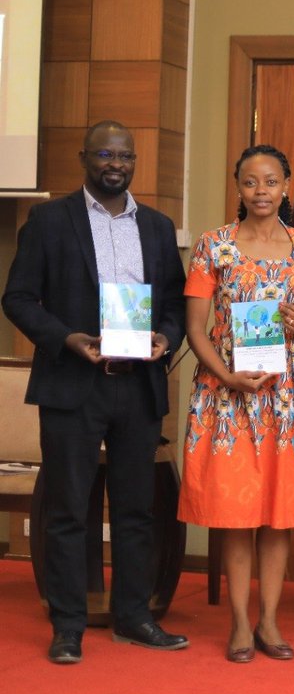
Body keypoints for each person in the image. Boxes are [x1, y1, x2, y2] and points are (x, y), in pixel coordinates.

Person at [2, 120, 188, 663]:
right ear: (85, 158)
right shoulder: (48, 221)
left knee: (135, 511)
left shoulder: (157, 226)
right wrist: (66, 340)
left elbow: (175, 305)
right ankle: (67, 626)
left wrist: (166, 337)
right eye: (105, 154)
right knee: (67, 511)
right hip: (73, 384)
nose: (116, 164)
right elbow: (18, 299)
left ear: (135, 162)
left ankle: (134, 617)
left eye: (125, 156)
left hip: (138, 387)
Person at [176, 144, 294, 663]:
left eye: (271, 181)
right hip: (227, 396)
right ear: (239, 188)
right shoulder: (213, 247)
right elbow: (194, 329)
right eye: (251, 182)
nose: (261, 191)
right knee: (236, 512)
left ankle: (269, 619)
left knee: (279, 512)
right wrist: (226, 375)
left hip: (291, 399)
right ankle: (240, 622)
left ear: (286, 186)